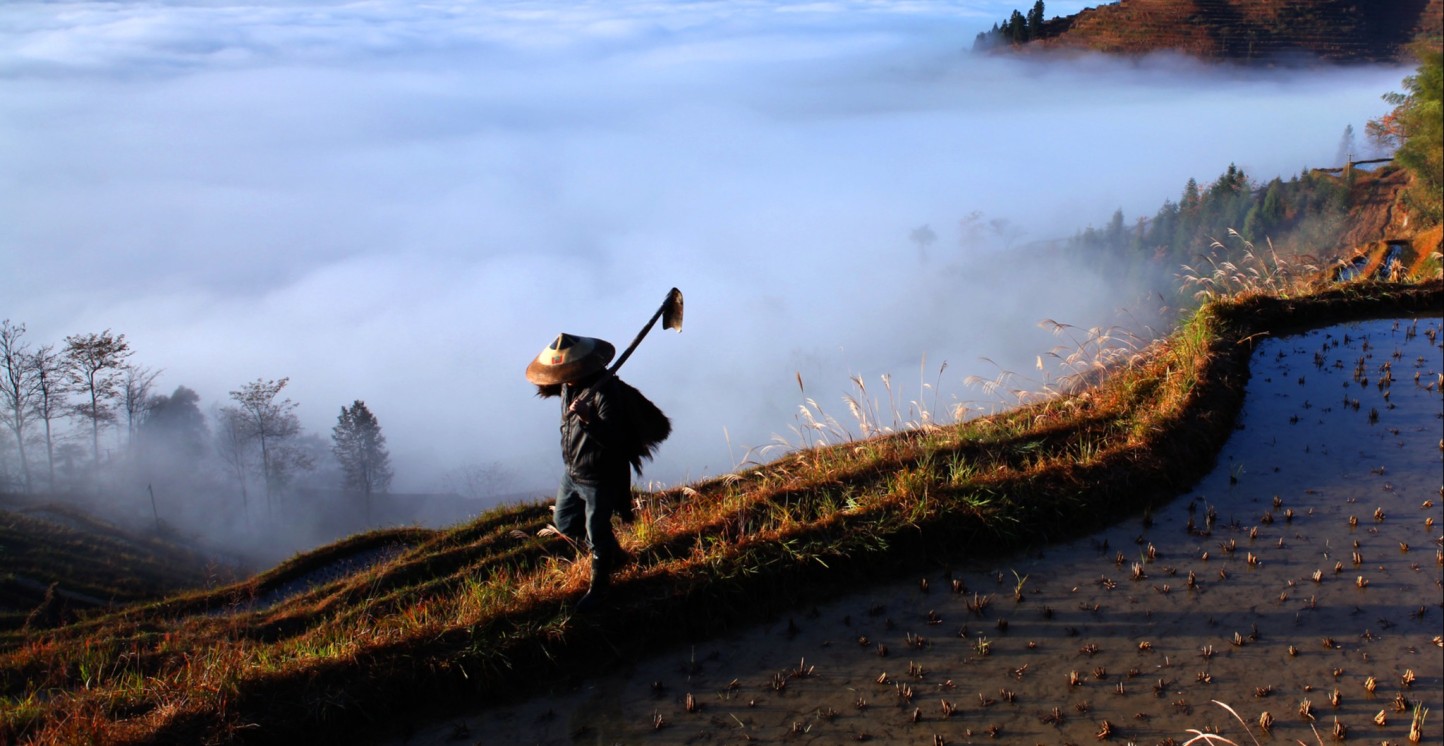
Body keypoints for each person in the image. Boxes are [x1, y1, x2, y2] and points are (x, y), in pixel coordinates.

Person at [526, 332, 670, 612]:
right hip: (573, 472)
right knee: (565, 522)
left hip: (599, 476)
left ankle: (600, 588)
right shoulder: (570, 385)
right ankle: (614, 557)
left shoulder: (606, 393)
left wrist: (588, 419)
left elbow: (616, 440)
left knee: (597, 532)